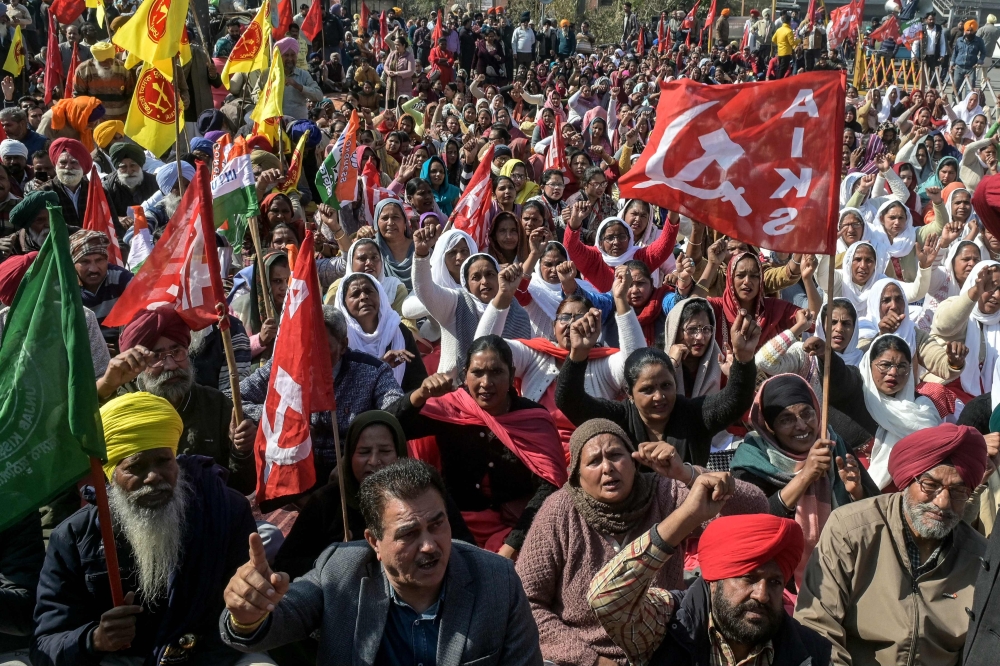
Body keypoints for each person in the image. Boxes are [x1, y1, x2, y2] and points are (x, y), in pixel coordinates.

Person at [220, 459, 544, 665]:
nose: (430, 546)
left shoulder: (497, 581)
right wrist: (249, 615)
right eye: (409, 533)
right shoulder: (341, 570)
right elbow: (284, 615)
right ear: (374, 541)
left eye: (437, 524)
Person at [32, 392, 275, 666]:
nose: (153, 476)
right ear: (110, 473)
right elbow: (45, 644)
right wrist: (94, 639)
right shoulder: (75, 537)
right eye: (135, 466)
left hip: (209, 652)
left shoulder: (224, 511)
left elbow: (238, 618)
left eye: (163, 461)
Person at [516, 419, 767, 665]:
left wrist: (686, 473)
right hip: (580, 654)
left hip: (662, 646)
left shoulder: (663, 493)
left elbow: (757, 511)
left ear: (634, 462)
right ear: (576, 475)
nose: (607, 468)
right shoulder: (559, 512)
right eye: (594, 461)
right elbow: (526, 603)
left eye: (616, 455)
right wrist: (592, 661)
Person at [795, 423, 989, 666]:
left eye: (959, 491)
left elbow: (984, 646)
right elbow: (817, 626)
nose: (942, 502)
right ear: (909, 479)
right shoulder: (851, 530)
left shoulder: (981, 559)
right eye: (930, 485)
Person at [588, 501, 831, 665]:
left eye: (775, 582)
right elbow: (606, 598)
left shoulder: (810, 651)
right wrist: (688, 516)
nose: (762, 595)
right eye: (749, 578)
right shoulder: (670, 622)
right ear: (714, 580)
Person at [391, 336, 566, 556]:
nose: (486, 382)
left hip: (520, 530)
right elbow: (386, 428)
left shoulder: (533, 419)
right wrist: (419, 395)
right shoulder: (450, 409)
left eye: (496, 372)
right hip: (452, 528)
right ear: (465, 374)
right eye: (477, 373)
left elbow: (549, 487)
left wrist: (511, 546)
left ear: (512, 375)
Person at [273, 412, 475, 578]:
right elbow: (285, 564)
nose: (374, 461)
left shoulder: (426, 495)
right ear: (349, 456)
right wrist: (333, 558)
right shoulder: (327, 502)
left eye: (385, 451)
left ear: (400, 453)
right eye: (364, 452)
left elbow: (465, 551)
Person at [556, 305, 760, 463]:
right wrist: (578, 353)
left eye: (666, 386)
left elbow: (736, 399)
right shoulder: (619, 418)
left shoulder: (693, 414)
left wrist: (743, 358)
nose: (659, 396)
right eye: (647, 389)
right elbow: (569, 400)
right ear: (629, 393)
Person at [730, 374, 879, 585]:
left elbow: (874, 513)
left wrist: (856, 492)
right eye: (786, 419)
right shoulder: (752, 460)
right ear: (770, 427)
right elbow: (750, 527)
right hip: (777, 580)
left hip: (844, 570)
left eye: (807, 413)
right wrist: (805, 476)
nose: (801, 426)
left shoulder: (833, 444)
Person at [93, 308, 259, 494]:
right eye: (156, 356)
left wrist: (241, 451)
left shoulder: (215, 404)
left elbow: (242, 487)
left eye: (177, 351)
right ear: (138, 364)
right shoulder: (119, 405)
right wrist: (104, 387)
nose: (170, 365)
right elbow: (78, 448)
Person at [236, 306, 403, 485]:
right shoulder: (283, 366)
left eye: (322, 348)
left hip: (352, 472)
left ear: (343, 346)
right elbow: (234, 399)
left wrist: (349, 463)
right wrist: (287, 418)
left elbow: (392, 410)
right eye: (304, 344)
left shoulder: (372, 371)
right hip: (291, 468)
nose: (311, 354)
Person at [411, 223, 531, 374]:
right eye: (476, 277)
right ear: (466, 283)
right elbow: (424, 290)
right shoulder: (455, 303)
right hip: (455, 387)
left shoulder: (518, 313)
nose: (484, 282)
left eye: (490, 275)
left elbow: (525, 359)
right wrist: (421, 255)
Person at [332, 271, 427, 391]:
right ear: (343, 303)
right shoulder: (340, 339)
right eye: (355, 294)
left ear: (380, 295)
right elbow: (339, 388)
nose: (364, 297)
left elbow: (417, 381)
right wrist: (380, 367)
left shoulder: (398, 331)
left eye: (369, 291)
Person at [70, 228, 133, 344]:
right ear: (73, 264)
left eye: (99, 260)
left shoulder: (122, 279)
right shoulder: (65, 288)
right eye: (85, 262)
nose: (93, 269)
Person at [72, 41, 135, 122]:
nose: (108, 64)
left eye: (110, 60)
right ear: (96, 59)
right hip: (95, 121)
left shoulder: (123, 69)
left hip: (120, 120)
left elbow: (130, 96)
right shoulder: (83, 70)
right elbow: (78, 97)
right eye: (104, 61)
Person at [41, 138, 93, 228]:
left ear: (83, 166)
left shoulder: (95, 191)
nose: (68, 167)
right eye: (63, 162)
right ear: (55, 165)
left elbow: (112, 223)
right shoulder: (44, 192)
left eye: (74, 162)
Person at [102, 142, 159, 218]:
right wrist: (117, 219)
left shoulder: (154, 183)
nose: (129, 171)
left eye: (133, 165)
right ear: (117, 168)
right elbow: (102, 215)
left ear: (140, 166)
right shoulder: (108, 187)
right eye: (123, 167)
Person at [276, 37, 324, 120]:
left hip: (298, 124)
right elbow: (255, 94)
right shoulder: (269, 74)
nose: (290, 59)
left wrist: (298, 86)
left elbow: (319, 96)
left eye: (293, 55)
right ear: (279, 57)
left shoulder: (303, 75)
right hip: (274, 124)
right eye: (286, 55)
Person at [950, 20, 987, 91]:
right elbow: (955, 53)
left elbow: (983, 52)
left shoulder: (979, 41)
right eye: (968, 30)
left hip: (971, 68)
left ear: (975, 31)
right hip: (958, 68)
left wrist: (980, 60)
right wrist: (951, 63)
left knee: (970, 90)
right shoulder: (959, 40)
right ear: (964, 30)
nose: (969, 32)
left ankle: (968, 102)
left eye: (971, 31)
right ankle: (957, 102)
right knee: (956, 89)